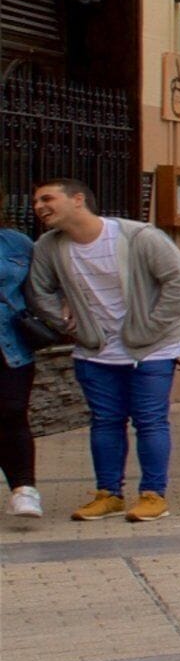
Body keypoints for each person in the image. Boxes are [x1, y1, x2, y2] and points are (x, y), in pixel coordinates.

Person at [27, 179, 180, 524]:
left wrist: (150, 326)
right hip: (94, 351)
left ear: (78, 200)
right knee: (105, 422)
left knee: (149, 421)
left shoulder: (138, 237)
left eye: (47, 198)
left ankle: (153, 495)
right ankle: (108, 494)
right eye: (35, 201)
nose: (39, 206)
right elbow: (38, 290)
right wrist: (66, 324)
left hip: (151, 349)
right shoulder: (49, 246)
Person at [0, 223, 40, 524]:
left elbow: (40, 288)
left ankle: (24, 489)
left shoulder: (17, 243)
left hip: (9, 345)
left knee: (13, 412)